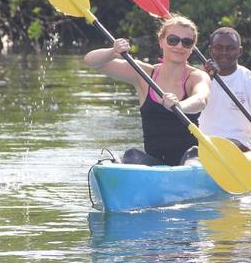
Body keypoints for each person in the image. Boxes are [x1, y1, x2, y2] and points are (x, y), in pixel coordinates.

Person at [84, 14, 211, 166]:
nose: (179, 46)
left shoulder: (197, 76)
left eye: (187, 42)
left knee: (193, 157)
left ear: (192, 49)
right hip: (155, 163)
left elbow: (201, 99)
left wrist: (179, 106)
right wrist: (112, 52)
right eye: (173, 40)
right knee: (131, 155)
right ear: (161, 42)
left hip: (190, 159)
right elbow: (92, 62)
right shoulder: (143, 73)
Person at [199, 27, 251, 153]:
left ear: (239, 51)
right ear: (211, 50)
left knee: (229, 145)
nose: (224, 53)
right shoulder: (197, 78)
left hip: (242, 145)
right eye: (219, 48)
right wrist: (205, 79)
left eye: (230, 48)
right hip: (203, 144)